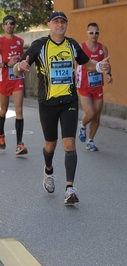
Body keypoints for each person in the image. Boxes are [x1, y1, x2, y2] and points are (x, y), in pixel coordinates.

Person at [13, 11, 110, 205]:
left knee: (69, 144)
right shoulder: (39, 45)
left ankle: (69, 188)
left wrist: (99, 67)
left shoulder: (72, 45)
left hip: (69, 101)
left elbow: (87, 63)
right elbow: (20, 65)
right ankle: (48, 170)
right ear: (49, 24)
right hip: (47, 103)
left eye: (63, 22)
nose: (60, 25)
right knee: (51, 144)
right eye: (56, 22)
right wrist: (19, 66)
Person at [76, 22, 113, 151]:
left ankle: (90, 141)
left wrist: (108, 74)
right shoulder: (81, 47)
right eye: (91, 32)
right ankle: (82, 124)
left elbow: (106, 65)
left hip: (97, 86)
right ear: (87, 33)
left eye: (96, 32)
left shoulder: (103, 48)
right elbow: (74, 65)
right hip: (84, 86)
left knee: (97, 115)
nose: (94, 35)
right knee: (90, 114)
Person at [0, 15, 28, 155]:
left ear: (14, 26)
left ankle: (19, 144)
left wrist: (23, 66)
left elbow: (22, 59)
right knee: (3, 110)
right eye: (7, 23)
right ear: (3, 26)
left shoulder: (20, 41)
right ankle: (1, 135)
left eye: (12, 23)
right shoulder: (0, 42)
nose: (9, 25)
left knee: (19, 110)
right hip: (4, 80)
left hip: (18, 79)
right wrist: (7, 64)